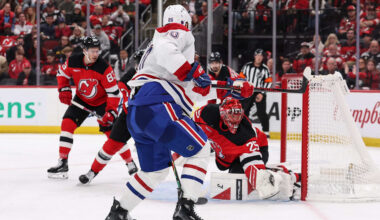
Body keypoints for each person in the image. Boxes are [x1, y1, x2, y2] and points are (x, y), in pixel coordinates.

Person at [104, 5, 251, 220]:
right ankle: (186, 209)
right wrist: (191, 71)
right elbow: (171, 56)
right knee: (200, 149)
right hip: (157, 106)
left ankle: (119, 212)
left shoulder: (166, 54)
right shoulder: (174, 33)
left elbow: (193, 89)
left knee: (153, 172)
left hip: (140, 114)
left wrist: (233, 90)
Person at [193, 98, 301, 200]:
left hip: (258, 147)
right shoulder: (207, 113)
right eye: (231, 115)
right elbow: (192, 126)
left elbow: (254, 162)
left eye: (238, 115)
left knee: (242, 175)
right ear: (222, 113)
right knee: (223, 166)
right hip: (231, 153)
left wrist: (262, 180)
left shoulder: (246, 134)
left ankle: (287, 175)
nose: (235, 120)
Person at [47, 36, 120, 179]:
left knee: (113, 134)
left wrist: (111, 111)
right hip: (81, 100)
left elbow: (114, 93)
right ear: (84, 50)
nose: (95, 54)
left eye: (97, 51)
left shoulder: (104, 67)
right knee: (67, 124)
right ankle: (63, 162)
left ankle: (129, 163)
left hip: (102, 102)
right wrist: (64, 89)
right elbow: (62, 74)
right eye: (92, 51)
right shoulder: (73, 61)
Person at [78, 50, 145, 184]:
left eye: (140, 62)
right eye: (137, 63)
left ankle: (146, 175)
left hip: (149, 117)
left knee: (151, 146)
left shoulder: (158, 75)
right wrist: (126, 98)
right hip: (129, 114)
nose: (137, 66)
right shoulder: (134, 72)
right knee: (112, 143)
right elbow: (121, 85)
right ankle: (92, 172)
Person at [240, 48, 271, 137]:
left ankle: (266, 131)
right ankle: (243, 128)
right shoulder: (247, 66)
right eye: (257, 55)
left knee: (262, 112)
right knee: (244, 111)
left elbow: (268, 82)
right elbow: (241, 78)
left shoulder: (265, 69)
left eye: (261, 56)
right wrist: (243, 90)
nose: (259, 58)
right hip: (248, 91)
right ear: (254, 56)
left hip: (260, 92)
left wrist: (262, 93)